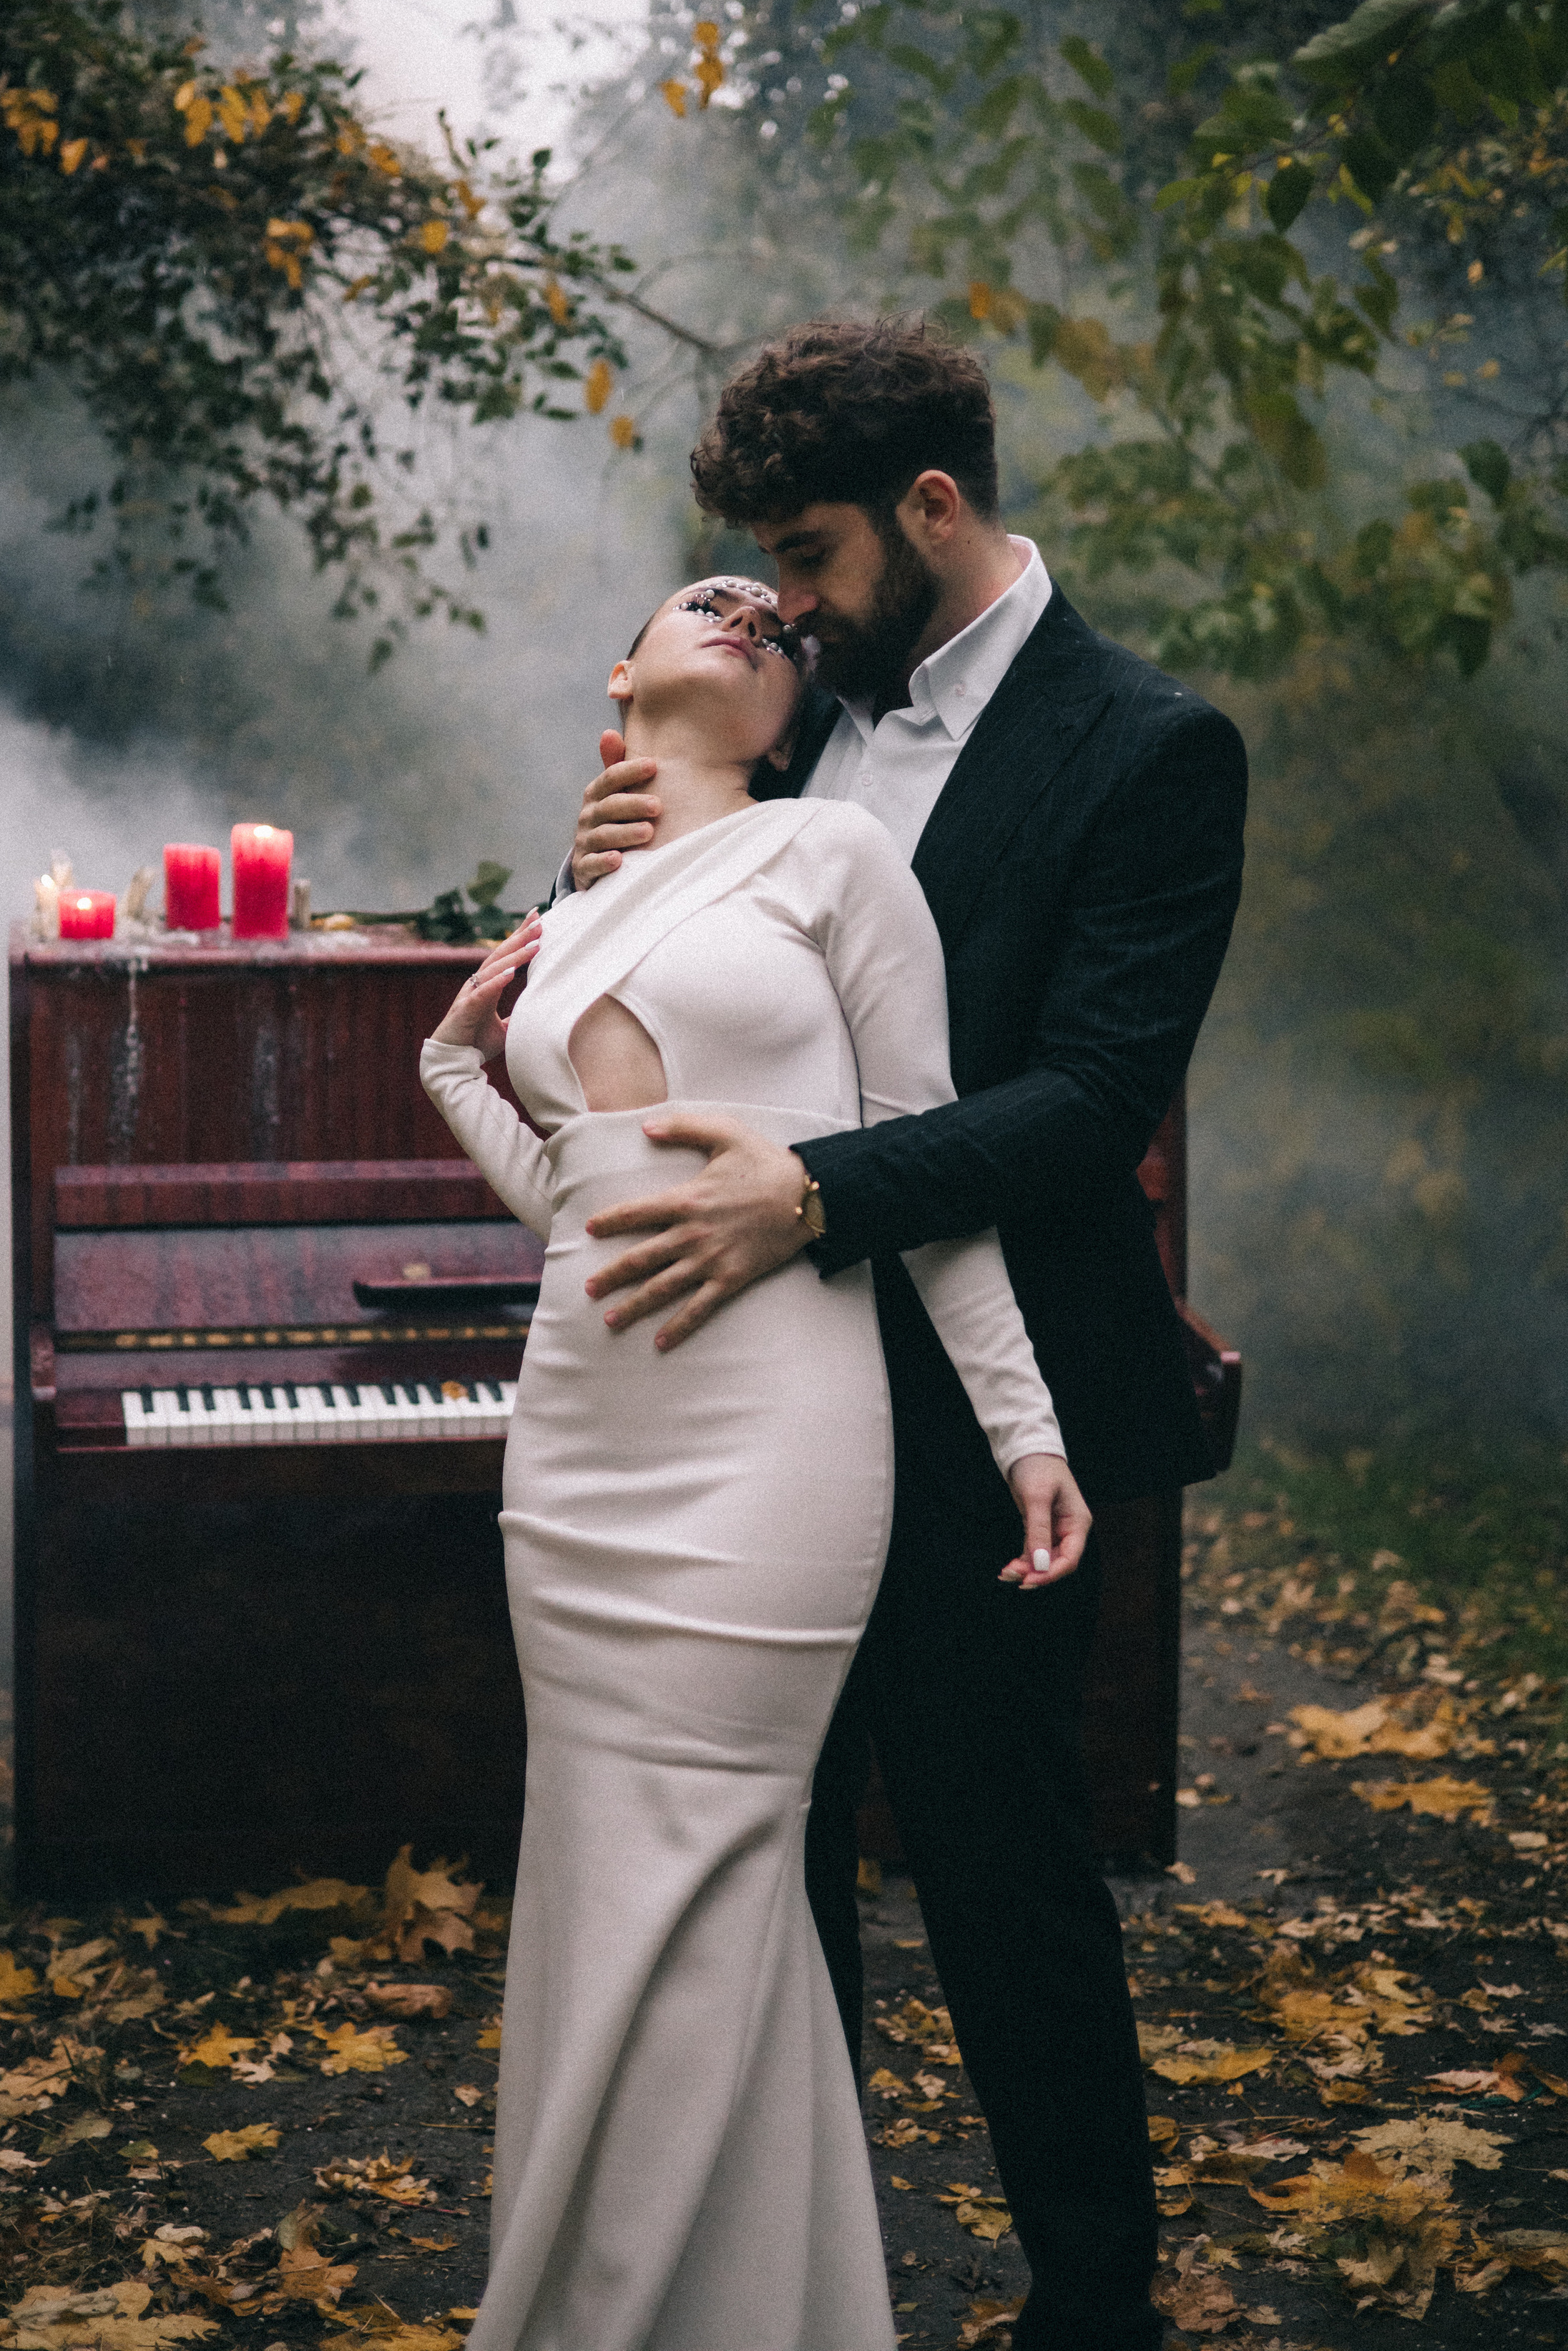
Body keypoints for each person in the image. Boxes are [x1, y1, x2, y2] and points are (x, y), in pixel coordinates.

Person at [565, 318, 1248, 2351]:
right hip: (749, 1403)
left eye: (811, 551)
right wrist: (601, 875)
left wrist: (822, 1194)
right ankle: (793, 2284)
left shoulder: (1148, 746)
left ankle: (1095, 2303)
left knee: (997, 1855)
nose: (782, 600)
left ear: (933, 509)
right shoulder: (794, 709)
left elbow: (1091, 1099)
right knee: (764, 1855)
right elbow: (669, 999)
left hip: (979, 1392)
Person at [419, 572, 1085, 2351]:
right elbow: (587, 1193)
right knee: (596, 1865)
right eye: (698, 600)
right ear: (617, 672)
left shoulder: (836, 860)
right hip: (580, 1453)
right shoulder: (576, 901)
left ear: (794, 714)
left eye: (775, 622)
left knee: (727, 1863)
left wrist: (1022, 1430)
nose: (747, 615)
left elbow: (927, 1170)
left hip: (776, 1434)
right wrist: (452, 1068)